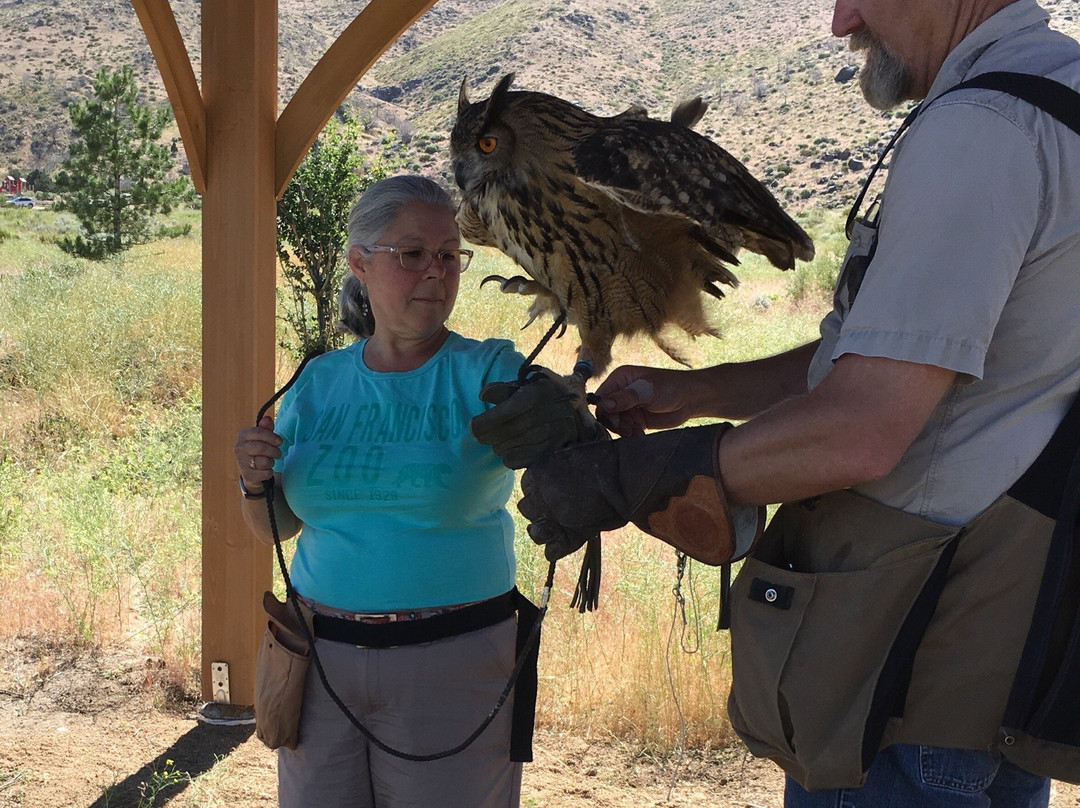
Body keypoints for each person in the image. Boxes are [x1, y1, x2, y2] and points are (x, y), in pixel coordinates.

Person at [472, 1, 1080, 805]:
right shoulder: (1059, 100)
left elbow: (864, 428)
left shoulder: (984, 130)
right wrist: (694, 392)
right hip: (1000, 670)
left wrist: (642, 475)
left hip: (898, 684)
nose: (841, 22)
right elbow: (900, 357)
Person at [233, 175, 589, 808]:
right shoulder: (316, 382)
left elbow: (565, 423)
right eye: (413, 253)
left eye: (450, 255)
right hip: (318, 663)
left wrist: (573, 410)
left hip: (451, 663)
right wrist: (255, 480)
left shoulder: (488, 370)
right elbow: (278, 527)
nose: (436, 271)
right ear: (360, 264)